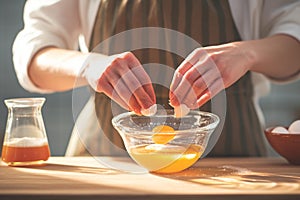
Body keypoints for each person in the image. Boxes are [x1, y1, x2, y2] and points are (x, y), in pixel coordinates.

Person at [13, 0, 300, 157]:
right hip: (104, 155)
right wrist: (88, 65)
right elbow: (33, 53)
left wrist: (247, 53)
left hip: (235, 155)